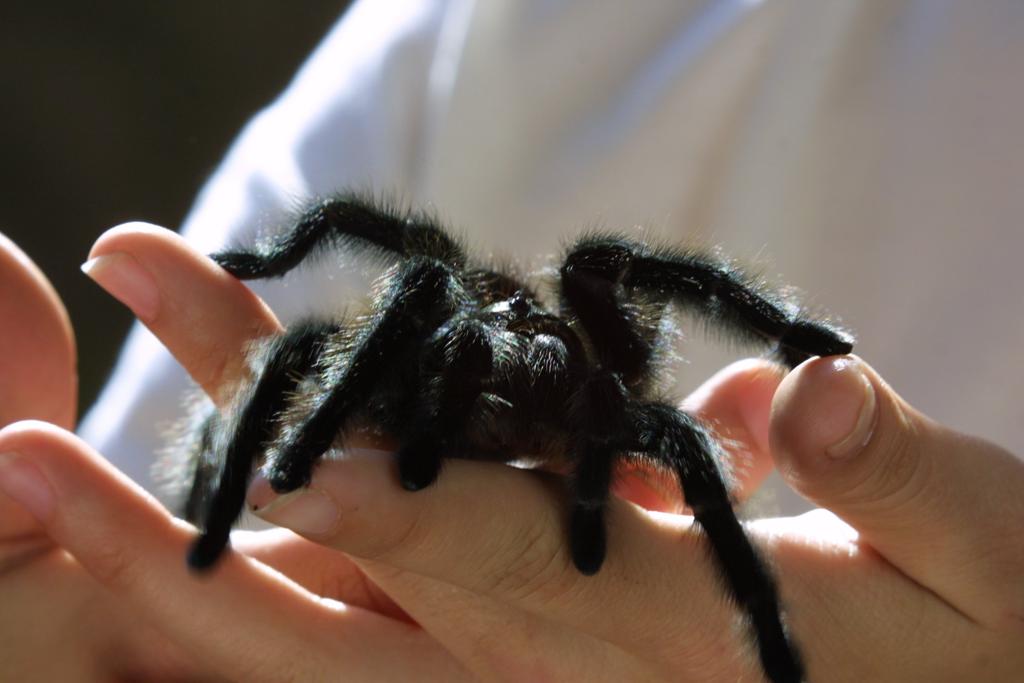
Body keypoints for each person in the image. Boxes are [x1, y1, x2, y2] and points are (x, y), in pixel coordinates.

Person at [2, 0, 1022, 679]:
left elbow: (665, 358)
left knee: (660, 393)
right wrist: (94, 616)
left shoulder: (602, 396)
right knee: (286, 361)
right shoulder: (496, 35)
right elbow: (98, 557)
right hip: (360, 433)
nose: (520, 332)